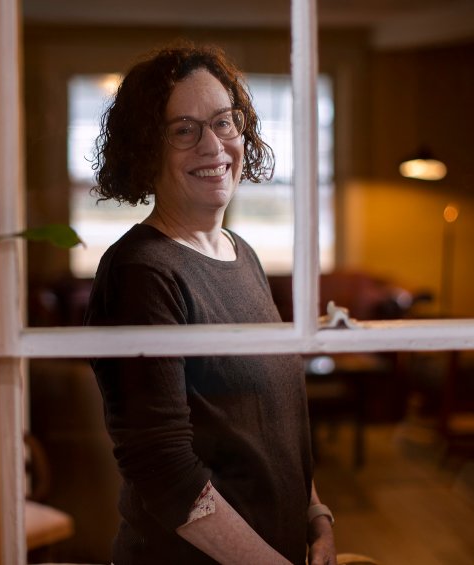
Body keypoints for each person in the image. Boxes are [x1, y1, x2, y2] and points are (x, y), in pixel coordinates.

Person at [84, 44, 336, 565]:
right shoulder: (141, 272)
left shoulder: (241, 254)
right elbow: (164, 471)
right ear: (146, 148)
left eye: (224, 122)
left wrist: (316, 517)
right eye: (183, 130)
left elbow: (274, 419)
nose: (213, 145)